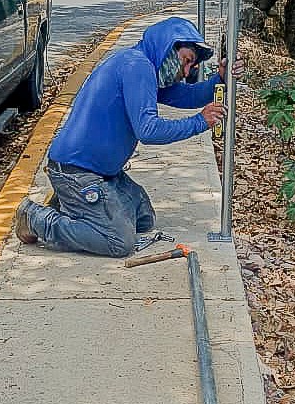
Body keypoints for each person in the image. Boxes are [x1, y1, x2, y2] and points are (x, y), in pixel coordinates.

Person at [15, 15, 229, 258]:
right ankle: (36, 218)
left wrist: (219, 80)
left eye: (191, 66)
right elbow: (148, 131)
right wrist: (199, 122)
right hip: (76, 172)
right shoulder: (137, 67)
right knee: (119, 241)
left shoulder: (143, 65)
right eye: (186, 61)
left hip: (103, 173)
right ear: (169, 47)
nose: (186, 71)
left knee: (144, 218)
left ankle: (75, 206)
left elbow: (185, 96)